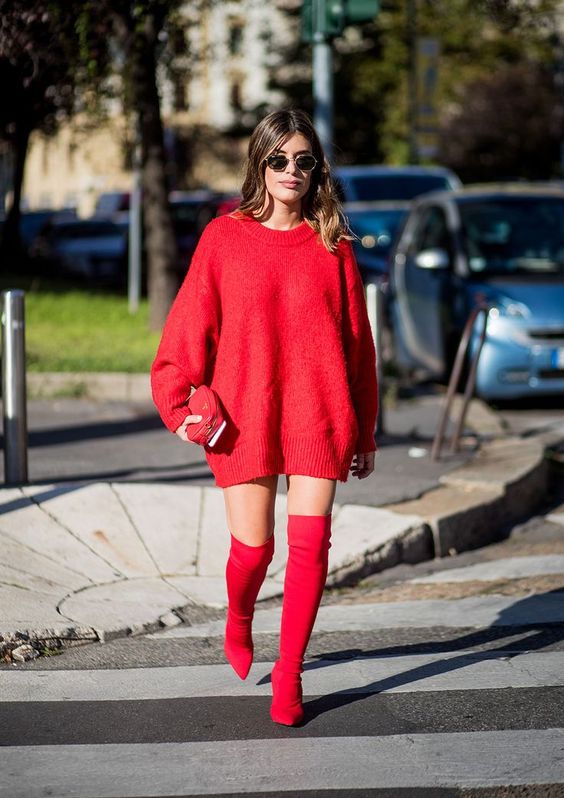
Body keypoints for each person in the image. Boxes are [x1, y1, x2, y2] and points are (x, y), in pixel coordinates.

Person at [151, 109, 378, 726]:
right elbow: (186, 333)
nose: (291, 171)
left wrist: (365, 428)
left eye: (304, 161)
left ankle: (290, 673)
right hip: (245, 414)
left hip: (319, 413)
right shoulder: (223, 239)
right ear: (260, 163)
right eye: (279, 159)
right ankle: (240, 614)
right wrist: (179, 404)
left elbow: (358, 347)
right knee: (253, 551)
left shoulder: (333, 246)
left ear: (317, 169)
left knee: (309, 548)